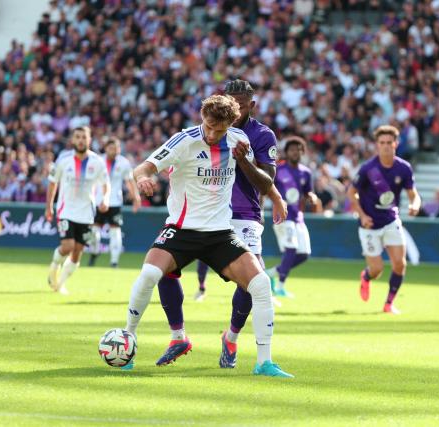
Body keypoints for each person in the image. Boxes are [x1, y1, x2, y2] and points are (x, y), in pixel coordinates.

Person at [122, 94, 293, 378]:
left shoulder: (239, 140)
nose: (213, 134)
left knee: (261, 285)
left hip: (220, 234)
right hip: (181, 229)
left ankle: (264, 362)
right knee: (150, 273)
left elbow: (262, 181)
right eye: (209, 126)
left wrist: (269, 190)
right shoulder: (184, 140)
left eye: (220, 129)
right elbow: (143, 167)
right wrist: (142, 178)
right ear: (202, 118)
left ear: (231, 124)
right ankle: (127, 341)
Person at [347, 125, 421, 315]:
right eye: (382, 143)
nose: (386, 146)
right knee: (377, 269)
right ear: (376, 145)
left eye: (389, 142)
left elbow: (413, 194)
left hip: (390, 220)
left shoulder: (403, 168)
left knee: (400, 264)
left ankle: (389, 304)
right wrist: (362, 216)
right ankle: (366, 276)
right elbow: (351, 192)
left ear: (396, 144)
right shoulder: (368, 168)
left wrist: (415, 205)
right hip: (369, 225)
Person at [46, 126, 110, 294]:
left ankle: (60, 284)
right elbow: (53, 183)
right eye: (78, 137)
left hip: (86, 214)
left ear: (89, 140)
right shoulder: (63, 160)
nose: (81, 140)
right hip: (66, 210)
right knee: (67, 246)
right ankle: (54, 267)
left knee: (76, 254)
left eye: (84, 137)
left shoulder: (97, 162)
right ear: (72, 140)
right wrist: (49, 207)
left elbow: (105, 184)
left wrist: (105, 198)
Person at [266, 136, 322, 298]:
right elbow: (266, 187)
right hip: (283, 216)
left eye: (298, 150)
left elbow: (307, 192)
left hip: (298, 217)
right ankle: (281, 287)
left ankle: (270, 273)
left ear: (302, 152)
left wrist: (312, 196)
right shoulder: (278, 169)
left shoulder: (306, 172)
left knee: (304, 254)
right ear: (287, 152)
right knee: (291, 249)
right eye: (292, 150)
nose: (295, 152)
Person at [87, 137, 141, 268]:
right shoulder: (98, 161)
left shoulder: (124, 163)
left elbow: (129, 181)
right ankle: (94, 252)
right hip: (98, 201)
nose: (114, 151)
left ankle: (114, 262)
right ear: (106, 149)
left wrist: (136, 198)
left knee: (115, 232)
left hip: (115, 202)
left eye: (117, 148)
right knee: (94, 231)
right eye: (111, 148)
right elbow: (91, 181)